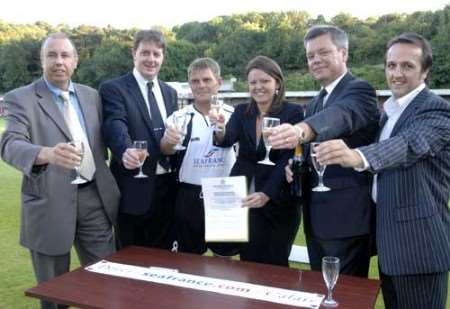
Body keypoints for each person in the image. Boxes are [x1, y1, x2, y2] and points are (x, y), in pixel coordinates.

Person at [315, 32, 450, 309]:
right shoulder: (388, 112)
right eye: (391, 65)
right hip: (390, 248)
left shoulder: (437, 111)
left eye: (407, 66)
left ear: (425, 71)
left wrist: (356, 156)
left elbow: (408, 145)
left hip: (419, 249)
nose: (396, 73)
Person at [0, 32, 120, 309]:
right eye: (51, 55)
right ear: (41, 61)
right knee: (54, 295)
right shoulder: (21, 99)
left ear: (75, 61)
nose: (58, 61)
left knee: (108, 282)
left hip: (94, 199)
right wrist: (46, 154)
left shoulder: (92, 96)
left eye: (65, 55)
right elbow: (9, 143)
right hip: (49, 203)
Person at [270, 25, 380, 276]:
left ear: (343, 53)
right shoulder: (318, 99)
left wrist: (300, 130)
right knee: (320, 291)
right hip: (316, 216)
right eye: (310, 56)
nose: (315, 60)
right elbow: (312, 148)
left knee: (342, 295)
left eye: (323, 52)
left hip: (345, 219)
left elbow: (340, 117)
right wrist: (296, 166)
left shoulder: (360, 90)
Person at [212, 55, 303, 266]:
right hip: (245, 198)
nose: (258, 87)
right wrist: (219, 128)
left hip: (279, 199)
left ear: (277, 83)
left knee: (276, 262)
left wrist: (267, 193)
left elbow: (288, 158)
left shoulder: (293, 112)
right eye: (253, 82)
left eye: (264, 81)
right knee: (249, 261)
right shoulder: (242, 111)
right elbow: (226, 140)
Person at [100, 29, 178, 250]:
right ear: (134, 53)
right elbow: (115, 124)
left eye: (156, 54)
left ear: (162, 57)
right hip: (134, 188)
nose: (151, 59)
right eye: (145, 53)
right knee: (130, 262)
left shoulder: (170, 92)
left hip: (168, 189)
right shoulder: (114, 89)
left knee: (165, 261)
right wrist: (125, 150)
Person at [160, 57, 236, 255]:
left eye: (206, 80)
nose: (201, 85)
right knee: (187, 261)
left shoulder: (235, 115)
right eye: (195, 81)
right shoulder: (179, 117)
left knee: (224, 262)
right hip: (189, 196)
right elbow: (166, 150)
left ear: (219, 82)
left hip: (225, 195)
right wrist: (168, 140)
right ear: (189, 85)